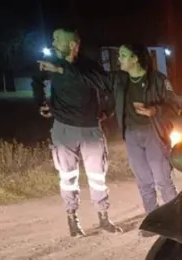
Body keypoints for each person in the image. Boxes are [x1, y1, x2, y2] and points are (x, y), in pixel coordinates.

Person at [39, 43, 180, 232]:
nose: (118, 59)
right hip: (131, 135)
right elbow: (88, 79)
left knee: (163, 180)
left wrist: (154, 110)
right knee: (144, 181)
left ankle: (177, 222)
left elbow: (174, 107)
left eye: (123, 55)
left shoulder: (158, 80)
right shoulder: (119, 79)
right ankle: (152, 223)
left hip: (154, 133)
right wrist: (61, 69)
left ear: (135, 58)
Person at [32, 27, 122, 237]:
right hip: (64, 128)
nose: (53, 44)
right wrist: (40, 102)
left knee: (98, 176)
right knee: (67, 176)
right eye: (53, 39)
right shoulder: (52, 65)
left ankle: (103, 217)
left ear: (73, 45)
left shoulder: (88, 66)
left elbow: (107, 85)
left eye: (57, 40)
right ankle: (72, 219)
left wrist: (107, 111)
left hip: (91, 129)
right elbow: (36, 80)